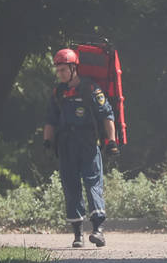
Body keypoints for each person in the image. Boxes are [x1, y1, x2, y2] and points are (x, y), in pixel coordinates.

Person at [43, 48, 119, 248]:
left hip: (88, 143)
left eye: (63, 70)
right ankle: (78, 235)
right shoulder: (58, 92)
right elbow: (50, 120)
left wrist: (111, 141)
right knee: (70, 186)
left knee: (92, 182)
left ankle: (98, 230)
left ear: (73, 68)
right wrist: (47, 142)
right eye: (58, 70)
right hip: (66, 145)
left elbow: (107, 115)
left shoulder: (91, 89)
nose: (60, 74)